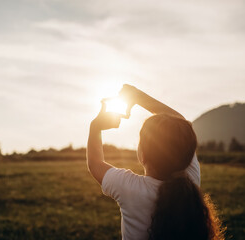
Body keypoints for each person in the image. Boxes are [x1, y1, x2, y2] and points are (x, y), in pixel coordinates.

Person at [87, 84, 224, 240]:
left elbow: (95, 163)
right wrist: (138, 96)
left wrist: (95, 127)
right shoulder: (190, 178)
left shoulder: (130, 189)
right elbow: (181, 125)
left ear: (142, 155)